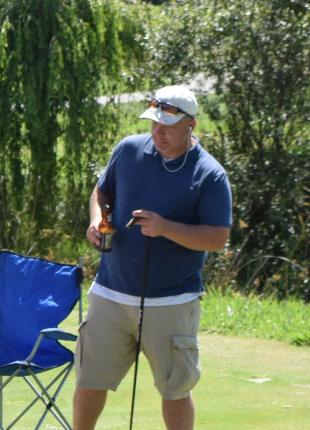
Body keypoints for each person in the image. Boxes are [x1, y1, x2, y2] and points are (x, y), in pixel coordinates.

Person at [73, 85, 231, 430]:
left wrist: (166, 228)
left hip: (172, 300)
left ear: (191, 124)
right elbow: (103, 190)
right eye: (154, 123)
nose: (158, 132)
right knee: (89, 380)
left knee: (175, 389)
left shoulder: (210, 174)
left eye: (168, 126)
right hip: (110, 292)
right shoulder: (129, 149)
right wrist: (97, 219)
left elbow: (218, 238)